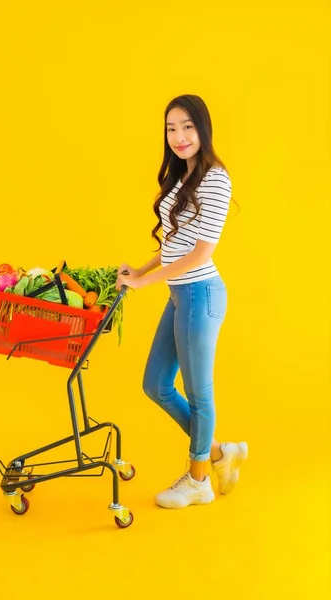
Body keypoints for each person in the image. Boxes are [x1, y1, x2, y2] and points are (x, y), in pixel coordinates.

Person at [115, 94, 248, 509]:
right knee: (155, 384)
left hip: (200, 295)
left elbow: (200, 253)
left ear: (203, 129)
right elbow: (175, 244)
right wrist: (139, 271)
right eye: (171, 128)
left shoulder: (215, 178)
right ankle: (218, 452)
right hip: (179, 295)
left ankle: (198, 481)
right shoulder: (181, 178)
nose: (178, 136)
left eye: (187, 126)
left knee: (197, 391)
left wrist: (146, 283)